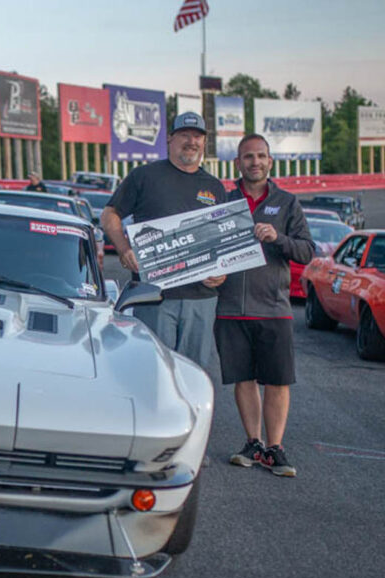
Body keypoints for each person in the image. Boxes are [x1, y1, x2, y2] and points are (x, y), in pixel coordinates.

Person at [214, 133, 314, 477]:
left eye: (260, 156)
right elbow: (209, 250)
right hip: (229, 308)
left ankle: (275, 448)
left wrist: (278, 238)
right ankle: (253, 443)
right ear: (237, 163)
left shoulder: (287, 203)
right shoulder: (224, 202)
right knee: (243, 379)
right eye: (247, 157)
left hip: (274, 308)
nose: (254, 162)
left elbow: (306, 251)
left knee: (277, 381)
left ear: (270, 161)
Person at [101, 112, 227, 370]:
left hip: (200, 298)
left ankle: (192, 413)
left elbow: (222, 238)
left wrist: (222, 271)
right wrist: (124, 249)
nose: (191, 141)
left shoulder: (215, 187)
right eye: (184, 135)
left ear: (204, 143)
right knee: (154, 370)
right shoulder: (144, 176)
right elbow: (109, 214)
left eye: (197, 137)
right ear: (169, 139)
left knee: (195, 373)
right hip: (154, 296)